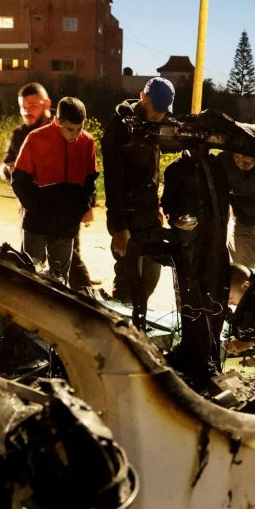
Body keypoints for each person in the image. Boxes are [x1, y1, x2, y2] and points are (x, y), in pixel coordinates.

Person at [2, 83, 96, 289]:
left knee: (61, 282)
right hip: (37, 224)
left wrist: (81, 208)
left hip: (66, 226)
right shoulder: (35, 138)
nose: (75, 135)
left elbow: (90, 181)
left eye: (79, 129)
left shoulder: (87, 142)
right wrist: (36, 209)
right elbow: (19, 180)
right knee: (31, 279)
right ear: (58, 121)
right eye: (70, 129)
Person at [101, 76, 175, 326]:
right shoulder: (120, 128)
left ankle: (135, 326)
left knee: (150, 278)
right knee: (127, 283)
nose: (160, 114)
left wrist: (155, 207)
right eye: (157, 108)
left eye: (164, 110)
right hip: (127, 218)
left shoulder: (154, 124)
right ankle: (117, 331)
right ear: (144, 97)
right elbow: (112, 182)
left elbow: (152, 170)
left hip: (148, 215)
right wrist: (120, 228)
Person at [161, 149, 230, 380]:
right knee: (190, 293)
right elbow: (168, 204)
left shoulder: (217, 165)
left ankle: (211, 353)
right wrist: (177, 221)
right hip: (189, 241)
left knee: (214, 293)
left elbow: (224, 200)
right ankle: (193, 351)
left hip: (214, 240)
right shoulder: (176, 169)